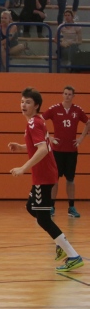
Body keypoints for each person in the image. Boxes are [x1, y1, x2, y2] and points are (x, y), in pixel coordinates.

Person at [8, 88, 83, 272]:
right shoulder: (38, 121)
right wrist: (21, 147)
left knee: (43, 219)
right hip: (44, 175)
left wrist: (23, 168)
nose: (23, 105)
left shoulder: (34, 122)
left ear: (36, 105)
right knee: (31, 207)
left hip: (43, 176)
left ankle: (73, 256)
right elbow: (42, 145)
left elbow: (42, 149)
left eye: (28, 102)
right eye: (22, 101)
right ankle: (60, 243)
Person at [42, 86, 89, 218]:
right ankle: (51, 206)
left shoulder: (77, 110)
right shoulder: (55, 109)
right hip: (57, 151)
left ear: (73, 96)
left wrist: (81, 138)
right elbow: (40, 120)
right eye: (65, 94)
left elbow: (88, 122)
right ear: (62, 95)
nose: (67, 96)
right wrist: (49, 137)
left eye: (69, 94)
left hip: (71, 151)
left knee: (70, 180)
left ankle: (71, 207)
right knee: (54, 179)